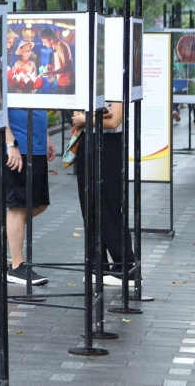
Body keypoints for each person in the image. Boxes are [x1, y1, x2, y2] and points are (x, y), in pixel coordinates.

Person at [0, 109, 55, 285]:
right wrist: (9, 143)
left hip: (36, 143)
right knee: (18, 206)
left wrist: (46, 135)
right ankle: (17, 266)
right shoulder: (5, 79)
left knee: (39, 204)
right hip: (14, 146)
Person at [71, 103, 133, 286]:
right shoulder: (88, 77)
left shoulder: (117, 79)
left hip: (109, 144)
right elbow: (77, 114)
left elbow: (114, 121)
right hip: (88, 141)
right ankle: (97, 263)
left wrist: (86, 119)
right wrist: (91, 118)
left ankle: (125, 264)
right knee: (88, 203)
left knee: (108, 204)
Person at [40, 27, 75, 94]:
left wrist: (52, 73)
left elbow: (67, 66)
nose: (43, 44)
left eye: (44, 41)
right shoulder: (55, 45)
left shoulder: (60, 46)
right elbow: (61, 62)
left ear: (51, 40)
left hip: (67, 83)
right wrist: (51, 65)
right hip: (61, 81)